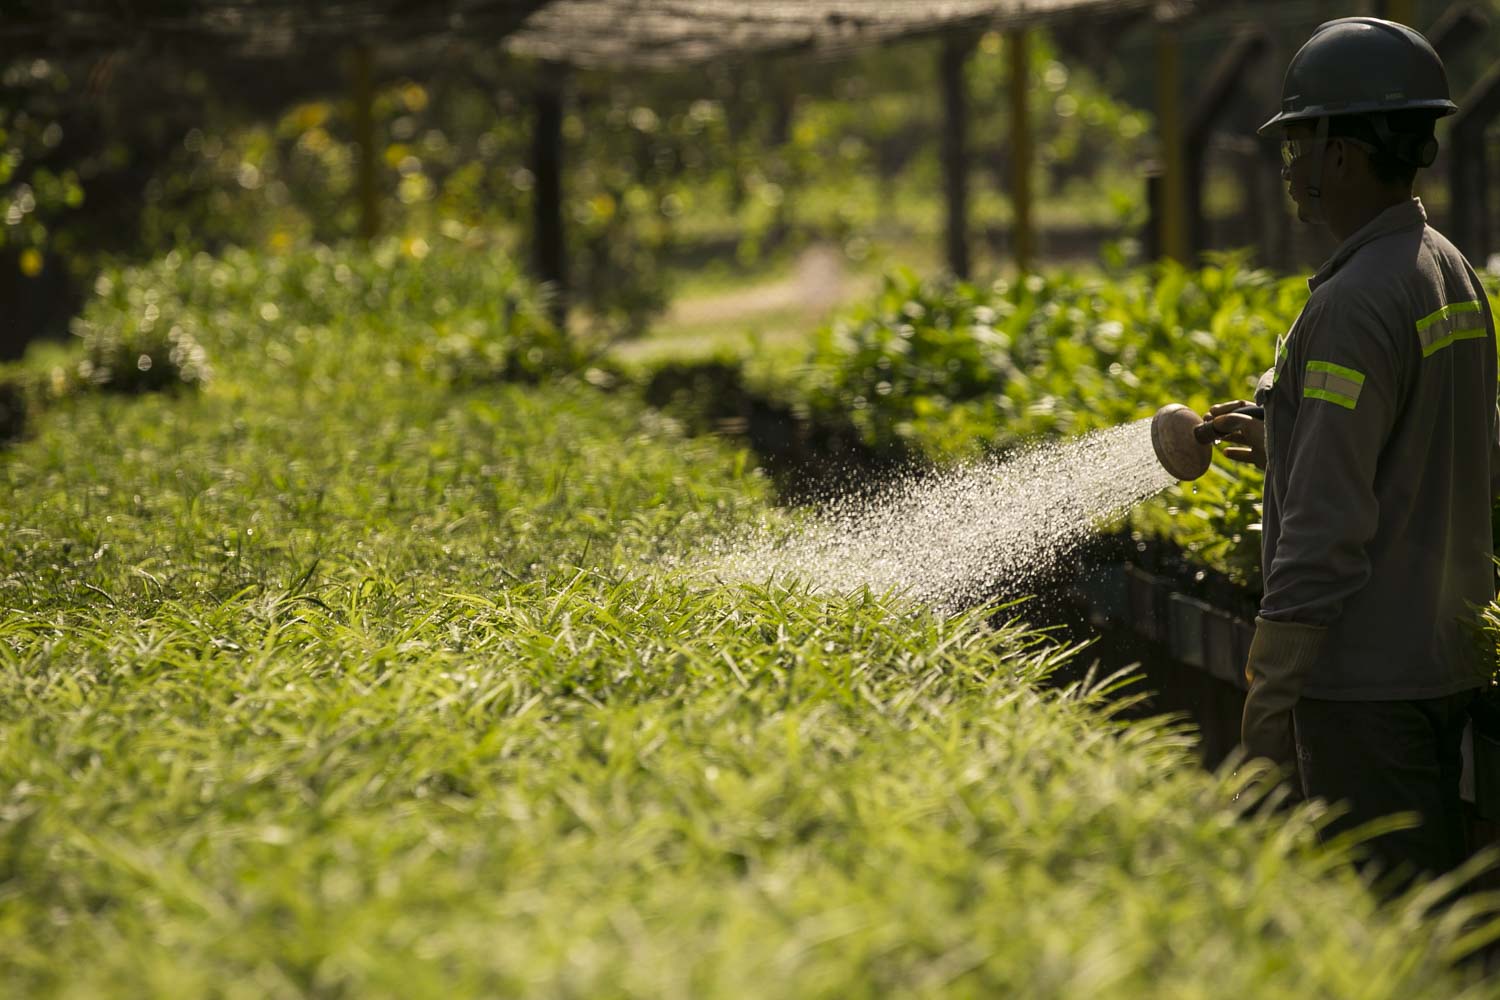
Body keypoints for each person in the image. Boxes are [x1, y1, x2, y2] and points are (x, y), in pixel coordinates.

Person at [1209, 16, 1500, 886]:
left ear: (1343, 154)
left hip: (1364, 686)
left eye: (1299, 142)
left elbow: (1327, 526)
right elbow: (1435, 442)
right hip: (1440, 658)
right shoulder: (1446, 268)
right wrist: (1280, 436)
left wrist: (1270, 697)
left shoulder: (1349, 304)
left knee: (1389, 924)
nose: (1289, 167)